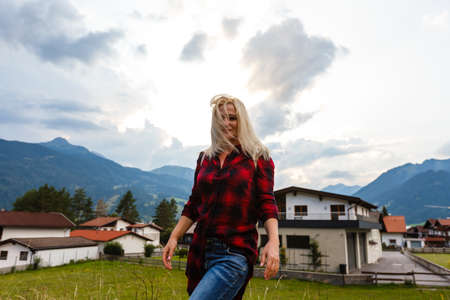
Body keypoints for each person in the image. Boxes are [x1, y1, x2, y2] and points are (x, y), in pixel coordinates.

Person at [162, 94, 279, 300]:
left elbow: (266, 202)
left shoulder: (258, 157)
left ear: (242, 121)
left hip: (234, 253)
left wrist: (273, 242)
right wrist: (174, 236)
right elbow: (194, 203)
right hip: (200, 252)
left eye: (232, 118)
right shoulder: (205, 158)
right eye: (221, 118)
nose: (226, 123)